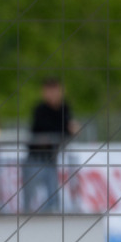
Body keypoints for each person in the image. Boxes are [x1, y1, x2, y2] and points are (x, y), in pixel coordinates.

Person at [23, 77, 78, 212]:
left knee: (53, 196)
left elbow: (67, 130)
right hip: (35, 159)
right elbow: (46, 128)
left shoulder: (64, 108)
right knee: (30, 196)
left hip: (50, 160)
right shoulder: (40, 110)